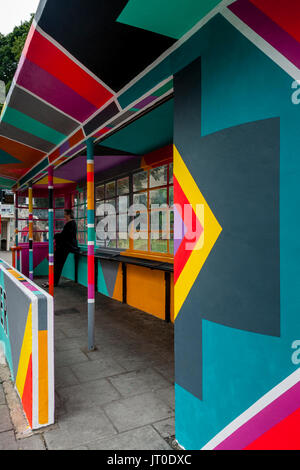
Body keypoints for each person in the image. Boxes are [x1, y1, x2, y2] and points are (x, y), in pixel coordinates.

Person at [43, 209, 79, 288]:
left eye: (65, 215)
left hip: (65, 247)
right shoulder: (71, 223)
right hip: (66, 247)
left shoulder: (70, 224)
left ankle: (53, 282)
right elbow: (65, 236)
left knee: (57, 265)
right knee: (57, 265)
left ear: (69, 215)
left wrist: (56, 235)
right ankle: (52, 281)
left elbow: (65, 236)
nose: (64, 216)